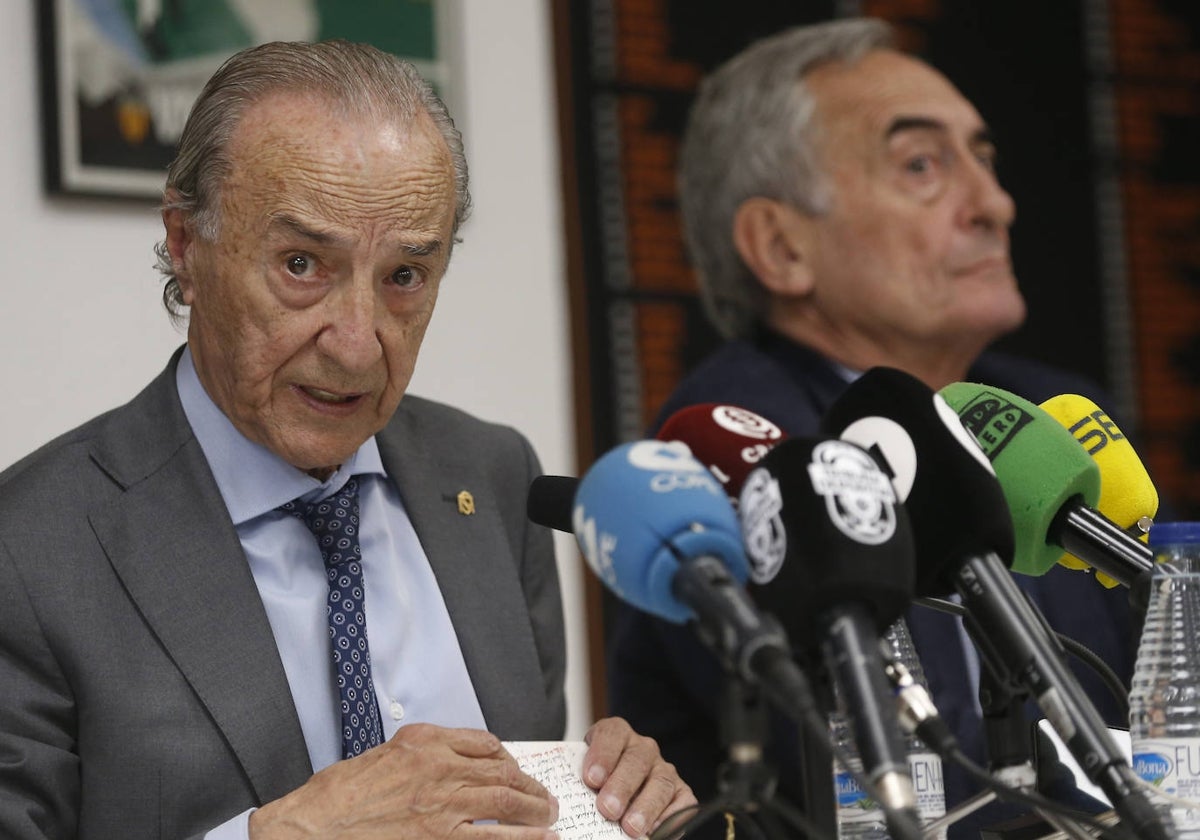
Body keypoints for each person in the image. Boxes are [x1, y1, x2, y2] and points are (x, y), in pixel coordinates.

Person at [0, 40, 694, 840]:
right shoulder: (33, 549)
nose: (359, 345)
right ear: (188, 248)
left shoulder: (494, 479)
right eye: (303, 264)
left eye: (404, 277)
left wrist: (606, 803)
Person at [607, 18, 1135, 839]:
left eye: (985, 160)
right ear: (781, 249)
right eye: (923, 165)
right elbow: (892, 790)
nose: (996, 204)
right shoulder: (733, 454)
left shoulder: (1044, 418)